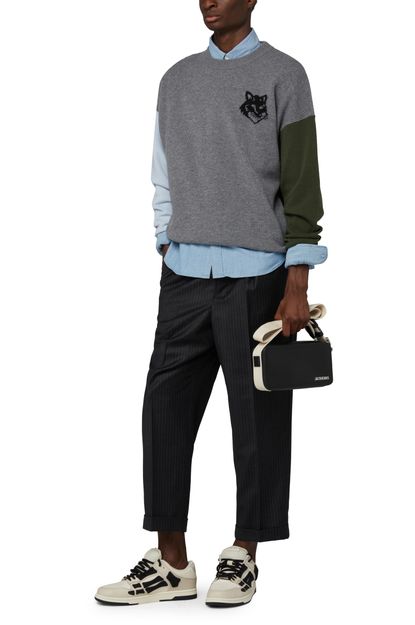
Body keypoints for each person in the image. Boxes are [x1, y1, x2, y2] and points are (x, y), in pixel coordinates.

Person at [95, 0, 328, 608]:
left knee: (257, 421)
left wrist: (297, 282)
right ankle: (171, 562)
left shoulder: (284, 75)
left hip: (259, 277)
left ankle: (244, 553)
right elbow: (163, 170)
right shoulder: (176, 79)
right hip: (184, 277)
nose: (209, 0)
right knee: (163, 412)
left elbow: (302, 183)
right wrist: (165, 240)